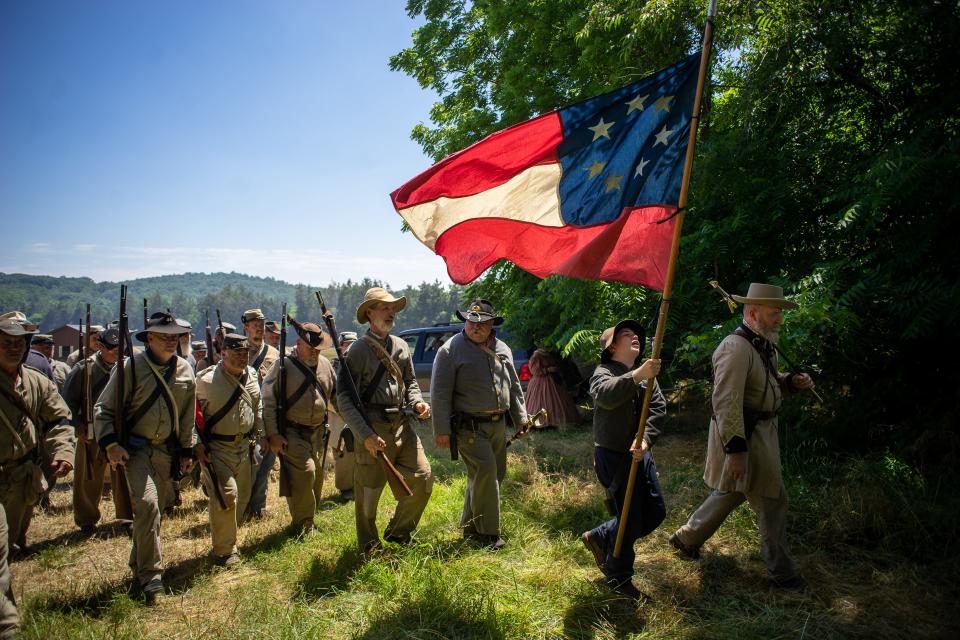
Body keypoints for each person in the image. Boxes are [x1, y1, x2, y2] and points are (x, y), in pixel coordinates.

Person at [669, 283, 814, 591]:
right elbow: (726, 402)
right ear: (752, 313)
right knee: (773, 500)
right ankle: (783, 574)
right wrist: (737, 450)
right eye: (774, 314)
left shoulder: (762, 344)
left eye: (778, 314)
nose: (779, 320)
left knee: (733, 492)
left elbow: (765, 385)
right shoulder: (735, 348)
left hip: (759, 434)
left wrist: (791, 383)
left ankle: (686, 539)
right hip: (744, 436)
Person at [94, 311, 196, 605]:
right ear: (148, 338)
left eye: (175, 336)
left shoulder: (185, 370)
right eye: (163, 336)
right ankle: (152, 579)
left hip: (166, 451)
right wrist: (111, 443)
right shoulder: (130, 368)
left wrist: (187, 449)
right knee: (148, 505)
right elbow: (103, 410)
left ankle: (137, 563)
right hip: (136, 451)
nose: (170, 341)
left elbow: (187, 415)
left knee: (156, 511)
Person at [336, 288, 432, 554]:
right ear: (369, 312)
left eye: (393, 308)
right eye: (384, 307)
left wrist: (417, 403)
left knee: (424, 478)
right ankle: (369, 545)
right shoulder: (356, 351)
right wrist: (364, 434)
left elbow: (411, 382)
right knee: (369, 495)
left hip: (402, 425)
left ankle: (399, 532)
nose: (391, 313)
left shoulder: (401, 346)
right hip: (371, 428)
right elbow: (343, 398)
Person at [431, 299, 528, 550]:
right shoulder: (449, 351)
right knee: (485, 472)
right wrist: (441, 430)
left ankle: (470, 524)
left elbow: (514, 387)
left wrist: (522, 419)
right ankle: (489, 535)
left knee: (492, 475)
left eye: (482, 322)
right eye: (471, 321)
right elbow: (440, 393)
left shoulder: (503, 348)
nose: (476, 326)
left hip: (498, 424)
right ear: (466, 321)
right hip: (468, 427)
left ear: (492, 324)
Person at [581, 319, 665, 600]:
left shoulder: (646, 375)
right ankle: (619, 578)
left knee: (655, 512)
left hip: (641, 454)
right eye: (626, 335)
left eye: (637, 335)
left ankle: (602, 536)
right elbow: (606, 396)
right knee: (629, 518)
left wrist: (645, 439)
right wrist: (638, 374)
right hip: (613, 457)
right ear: (612, 346)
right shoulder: (603, 372)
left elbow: (657, 407)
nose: (635, 338)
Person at [0, 312, 75, 560]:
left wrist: (63, 451)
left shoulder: (36, 382)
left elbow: (59, 420)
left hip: (23, 476)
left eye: (19, 343)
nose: (14, 348)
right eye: (6, 343)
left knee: (13, 544)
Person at [261, 321, 336, 534]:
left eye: (317, 347)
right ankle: (303, 524)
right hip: (292, 432)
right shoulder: (282, 366)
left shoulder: (326, 365)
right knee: (305, 473)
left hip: (319, 432)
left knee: (318, 477)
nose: (313, 351)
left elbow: (336, 396)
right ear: (298, 344)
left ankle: (308, 515)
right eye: (308, 346)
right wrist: (273, 434)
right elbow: (268, 402)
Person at [195, 333, 263, 565]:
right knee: (227, 495)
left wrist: (262, 434)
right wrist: (197, 445)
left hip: (245, 446)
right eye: (236, 353)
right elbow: (192, 416)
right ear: (223, 353)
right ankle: (224, 550)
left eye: (245, 353)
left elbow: (258, 406)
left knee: (242, 496)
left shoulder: (252, 375)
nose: (242, 357)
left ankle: (228, 535)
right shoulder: (205, 380)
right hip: (218, 447)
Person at [63, 325, 121, 534]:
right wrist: (78, 426)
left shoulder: (126, 368)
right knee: (88, 477)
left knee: (122, 476)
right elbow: (67, 403)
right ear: (100, 347)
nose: (116, 353)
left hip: (119, 431)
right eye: (112, 349)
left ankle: (126, 516)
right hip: (91, 431)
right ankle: (86, 519)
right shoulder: (83, 369)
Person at [326, 331, 358, 502]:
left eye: (354, 343)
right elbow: (329, 395)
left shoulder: (359, 364)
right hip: (338, 419)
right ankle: (345, 488)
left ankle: (357, 485)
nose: (350, 347)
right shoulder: (333, 367)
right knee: (344, 454)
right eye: (347, 344)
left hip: (356, 418)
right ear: (340, 346)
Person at [525, 346, 580, 428]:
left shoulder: (551, 354)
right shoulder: (536, 356)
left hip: (554, 380)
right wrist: (547, 370)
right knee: (541, 401)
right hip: (540, 382)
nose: (548, 346)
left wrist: (555, 369)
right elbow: (534, 370)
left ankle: (558, 421)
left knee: (557, 401)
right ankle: (540, 422)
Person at [242, 309, 279, 385]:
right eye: (255, 325)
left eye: (262, 325)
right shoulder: (239, 352)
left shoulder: (275, 353)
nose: (259, 328)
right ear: (246, 328)